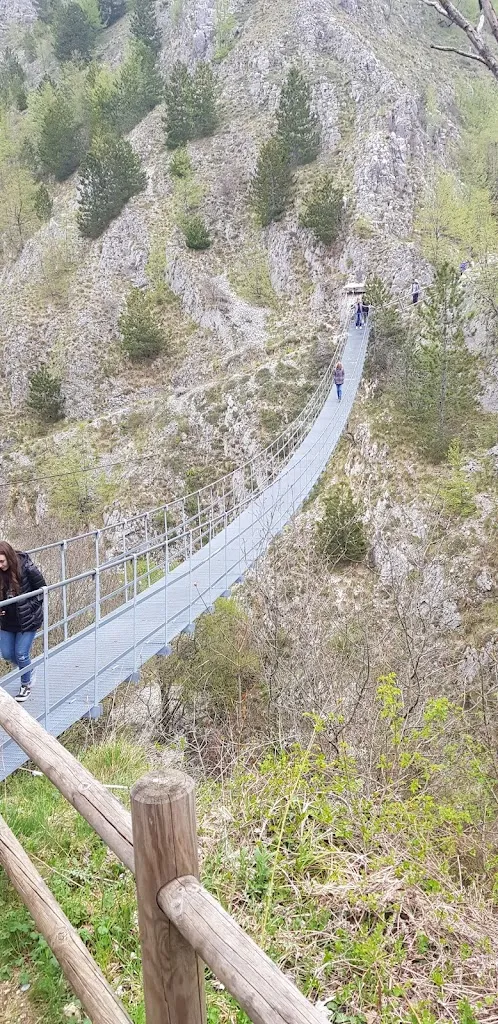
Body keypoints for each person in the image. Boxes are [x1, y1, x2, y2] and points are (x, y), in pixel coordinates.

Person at [0, 542, 46, 702]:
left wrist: (28, 607)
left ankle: (26, 684)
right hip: (7, 620)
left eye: (2, 561)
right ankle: (28, 669)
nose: (0, 565)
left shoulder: (27, 567)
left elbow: (42, 591)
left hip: (28, 619)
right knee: (7, 654)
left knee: (21, 653)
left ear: (9, 557)